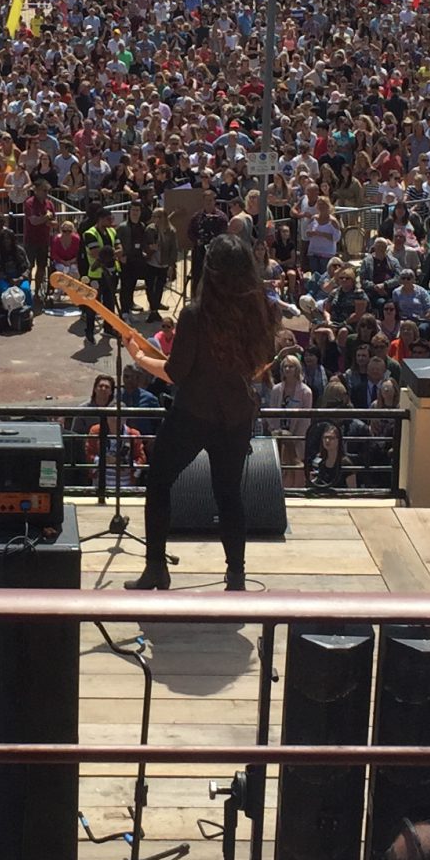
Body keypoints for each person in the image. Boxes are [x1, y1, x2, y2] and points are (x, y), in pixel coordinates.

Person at [129, 233, 279, 592]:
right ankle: (237, 576)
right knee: (228, 493)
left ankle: (156, 569)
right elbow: (260, 360)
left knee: (159, 480)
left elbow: (175, 372)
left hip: (194, 413)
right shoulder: (261, 310)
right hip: (237, 415)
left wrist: (138, 356)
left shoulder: (196, 314)